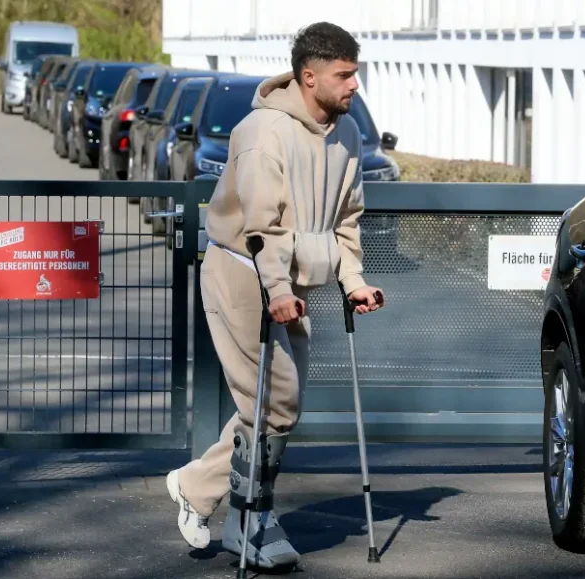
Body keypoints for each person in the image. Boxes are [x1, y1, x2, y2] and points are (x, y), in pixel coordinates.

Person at [165, 21, 385, 570]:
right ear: (309, 77)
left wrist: (353, 281)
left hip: (289, 286)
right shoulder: (261, 133)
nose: (354, 85)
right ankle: (250, 519)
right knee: (273, 403)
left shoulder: (348, 135)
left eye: (355, 73)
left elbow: (348, 218)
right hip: (243, 271)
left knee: (273, 408)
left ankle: (197, 488)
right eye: (344, 75)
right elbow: (261, 226)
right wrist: (278, 289)